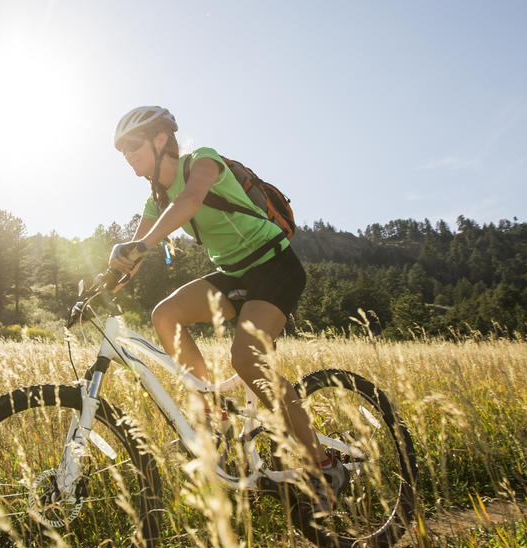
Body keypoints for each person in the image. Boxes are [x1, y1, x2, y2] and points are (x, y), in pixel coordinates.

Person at [106, 105, 347, 495]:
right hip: (234, 275)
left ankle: (324, 464)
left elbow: (190, 202)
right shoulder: (155, 198)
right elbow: (132, 255)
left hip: (274, 266)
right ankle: (212, 413)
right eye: (123, 152)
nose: (128, 156)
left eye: (133, 146)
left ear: (161, 139)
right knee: (165, 315)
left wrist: (141, 246)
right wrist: (105, 282)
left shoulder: (203, 160)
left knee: (246, 357)